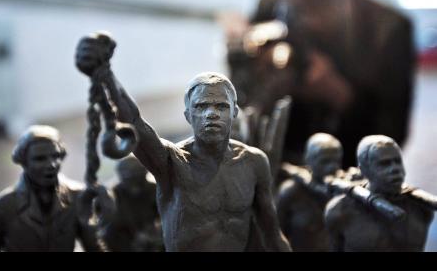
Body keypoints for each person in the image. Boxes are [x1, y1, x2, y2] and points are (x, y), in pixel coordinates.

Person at [75, 33, 292, 252]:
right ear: (188, 115)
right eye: (201, 107)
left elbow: (272, 235)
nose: (211, 114)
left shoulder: (254, 163)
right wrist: (106, 74)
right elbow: (133, 121)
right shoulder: (171, 162)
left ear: (234, 113)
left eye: (221, 106)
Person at [225, 0, 416, 168]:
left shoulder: (389, 30)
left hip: (350, 171)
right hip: (277, 161)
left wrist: (340, 96)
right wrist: (247, 64)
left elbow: (392, 135)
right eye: (298, 8)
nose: (310, 20)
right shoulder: (272, 4)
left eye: (321, 6)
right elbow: (240, 105)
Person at [0, 125, 105, 252]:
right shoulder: (0, 209)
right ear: (24, 161)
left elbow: (94, 247)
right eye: (40, 158)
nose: (51, 164)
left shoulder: (79, 197)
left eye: (55, 156)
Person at [324, 135, 433, 252]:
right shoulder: (340, 211)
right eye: (384, 164)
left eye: (397, 161)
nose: (395, 169)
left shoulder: (421, 208)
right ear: (364, 170)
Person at [276, 133, 342, 251]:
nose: (332, 167)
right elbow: (274, 235)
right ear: (308, 159)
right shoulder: (291, 191)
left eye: (336, 161)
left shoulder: (342, 193)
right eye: (325, 161)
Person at [99, 156, 163, 252]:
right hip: (126, 238)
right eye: (130, 179)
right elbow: (107, 224)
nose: (134, 186)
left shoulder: (154, 190)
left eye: (137, 178)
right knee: (109, 233)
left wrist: (150, 234)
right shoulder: (114, 193)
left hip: (152, 236)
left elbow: (165, 216)